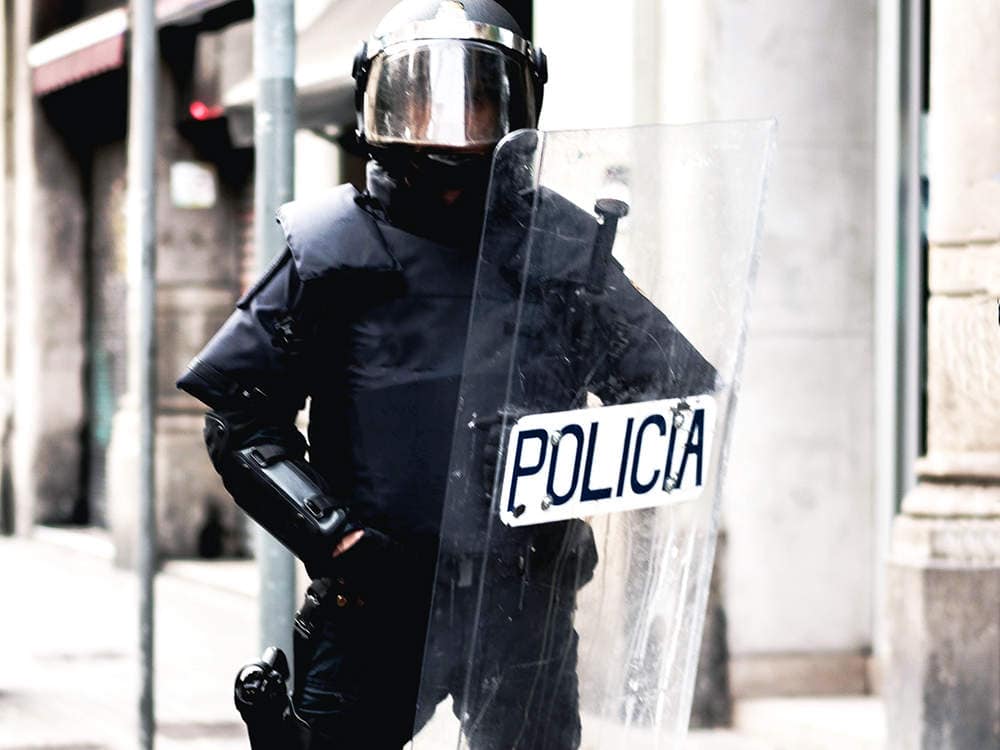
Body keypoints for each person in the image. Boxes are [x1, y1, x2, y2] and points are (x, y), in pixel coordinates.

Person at [177, 2, 716, 748]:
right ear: (383, 106)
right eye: (427, 101)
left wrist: (565, 456)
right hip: (373, 597)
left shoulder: (561, 247)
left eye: (478, 102)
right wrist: (333, 537)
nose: (453, 125)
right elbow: (238, 413)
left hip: (523, 594)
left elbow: (671, 394)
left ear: (516, 107)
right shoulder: (334, 245)